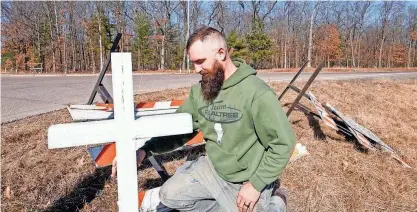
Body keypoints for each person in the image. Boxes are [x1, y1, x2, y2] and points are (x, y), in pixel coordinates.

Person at [112, 26, 296, 212]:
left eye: (200, 61)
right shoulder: (200, 92)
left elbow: (283, 143)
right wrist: (145, 150)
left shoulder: (256, 92)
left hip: (246, 179)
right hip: (213, 170)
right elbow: (178, 131)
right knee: (168, 195)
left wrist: (256, 185)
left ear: (221, 53)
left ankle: (277, 199)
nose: (196, 69)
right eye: (193, 62)